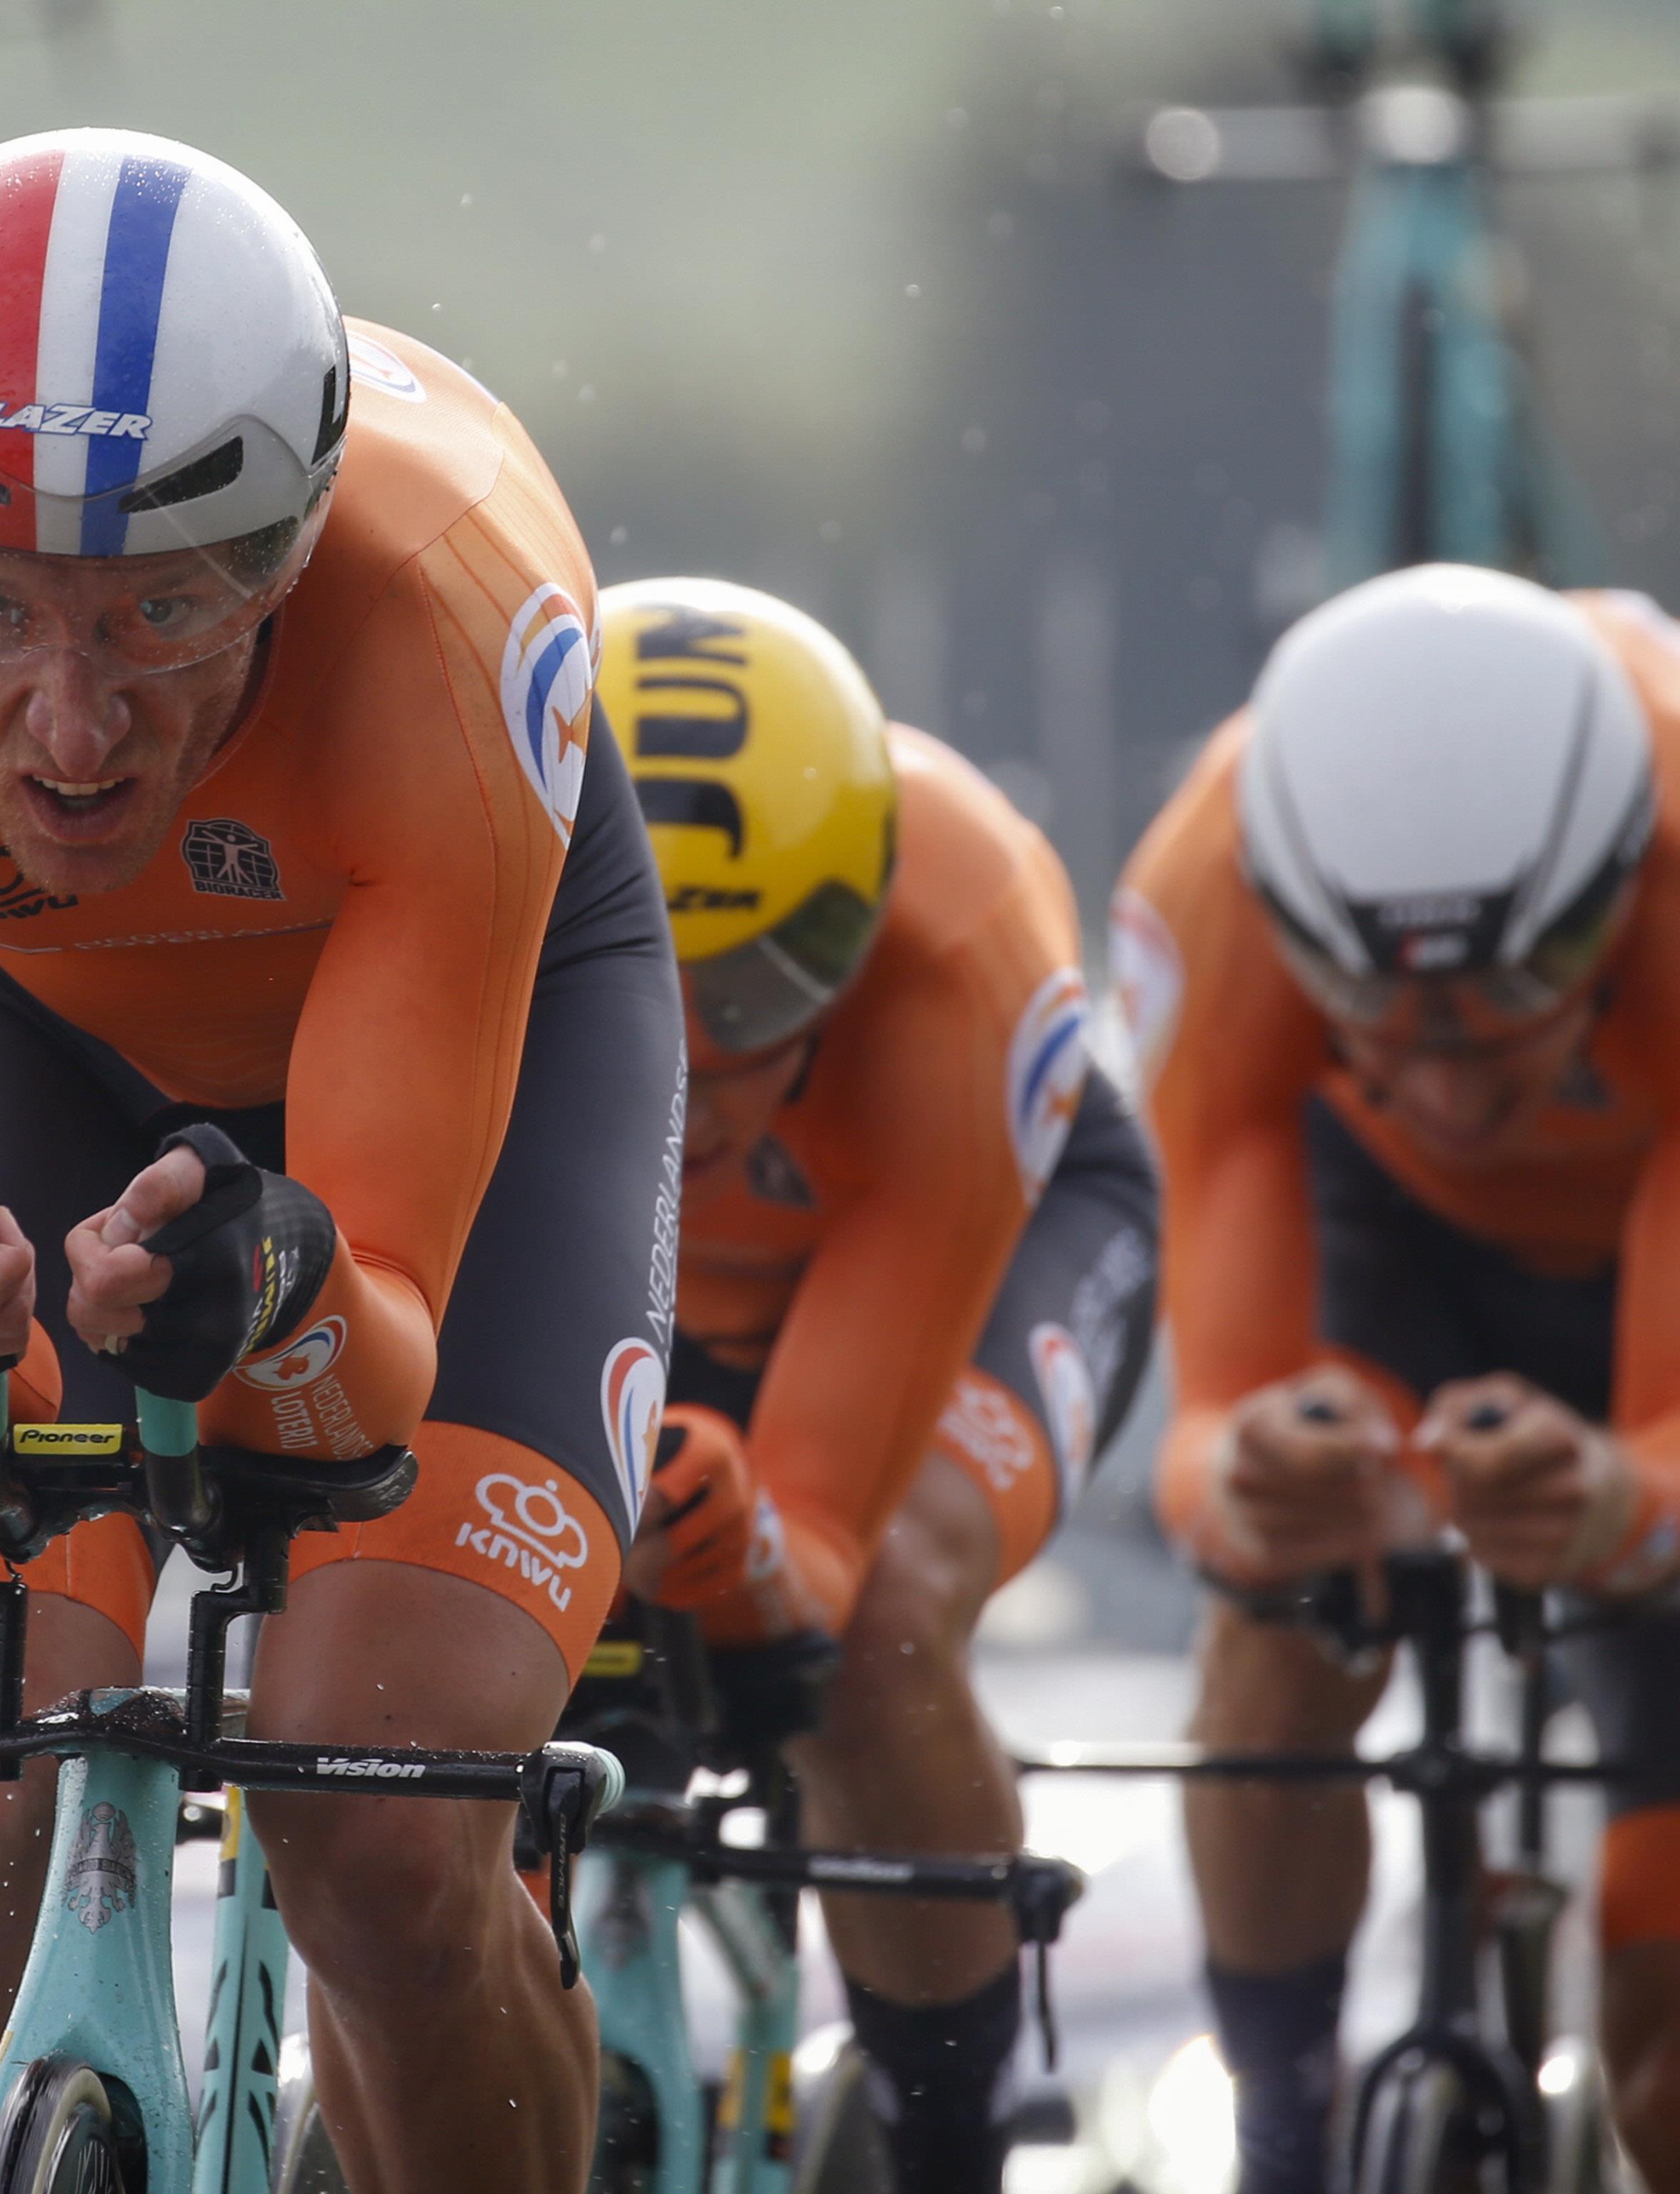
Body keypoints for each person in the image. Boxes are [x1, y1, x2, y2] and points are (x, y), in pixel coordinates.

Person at [0, 129, 685, 2194]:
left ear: (286, 558)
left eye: (165, 615)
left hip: (479, 1038)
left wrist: (274, 1298)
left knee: (383, 1821)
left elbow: (379, 1343)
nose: (72, 731)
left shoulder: (446, 598)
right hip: (23, 1035)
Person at [1109, 564, 1680, 2194]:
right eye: (1376, 1011)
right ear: (1294, 926)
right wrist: (1255, 1480)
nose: (1453, 1084)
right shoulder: (1205, 885)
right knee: (1281, 1602)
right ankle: (1280, 2134)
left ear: (1616, 894)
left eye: (1513, 997)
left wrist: (1612, 1505)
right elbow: (1208, 1444)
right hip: (1389, 1246)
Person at [601, 577, 1159, 2193]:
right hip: (659, 1280)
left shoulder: (959, 947)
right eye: (636, 987)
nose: (690, 1072)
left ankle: (947, 2146)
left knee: (879, 1615)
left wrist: (751, 1558)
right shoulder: (457, 858)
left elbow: (824, 1547)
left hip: (977, 1242)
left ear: (850, 947)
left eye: (753, 999)